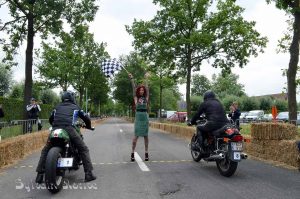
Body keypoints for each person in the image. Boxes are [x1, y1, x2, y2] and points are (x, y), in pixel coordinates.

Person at [35, 91, 96, 183]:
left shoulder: (57, 107)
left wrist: (55, 125)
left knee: (45, 150)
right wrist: (88, 126)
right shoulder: (76, 107)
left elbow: (51, 119)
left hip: (55, 129)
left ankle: (39, 175)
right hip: (69, 129)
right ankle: (89, 174)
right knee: (83, 149)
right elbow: (86, 118)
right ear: (72, 98)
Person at [129, 72, 150, 162]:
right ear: (138, 91)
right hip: (138, 117)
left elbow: (147, 89)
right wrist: (132, 79)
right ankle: (132, 153)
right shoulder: (136, 98)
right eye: (140, 90)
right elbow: (133, 89)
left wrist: (146, 79)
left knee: (146, 136)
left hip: (145, 117)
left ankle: (146, 153)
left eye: (143, 90)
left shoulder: (146, 97)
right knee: (135, 137)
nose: (141, 91)